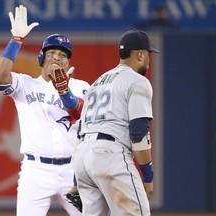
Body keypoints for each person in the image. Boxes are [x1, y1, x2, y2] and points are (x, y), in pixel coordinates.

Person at [0, 5, 89, 216]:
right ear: (41, 59)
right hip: (36, 170)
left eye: (62, 54)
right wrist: (16, 40)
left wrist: (64, 90)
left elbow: (78, 112)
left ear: (68, 61)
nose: (56, 57)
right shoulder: (26, 84)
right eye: (51, 53)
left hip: (72, 171)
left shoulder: (79, 86)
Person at [73, 29, 160, 215]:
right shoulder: (137, 81)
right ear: (140, 54)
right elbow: (139, 133)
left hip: (82, 159)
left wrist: (76, 179)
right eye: (148, 55)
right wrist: (147, 175)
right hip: (108, 155)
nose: (148, 60)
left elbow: (80, 130)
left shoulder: (97, 83)